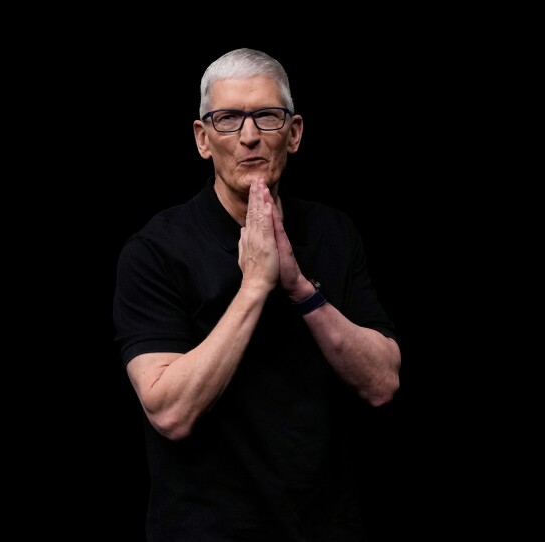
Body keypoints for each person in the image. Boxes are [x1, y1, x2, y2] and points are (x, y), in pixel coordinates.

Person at [113, 47, 401, 541]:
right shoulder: (156, 250)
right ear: (203, 139)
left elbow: (383, 383)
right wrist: (256, 286)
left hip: (325, 527)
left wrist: (298, 288)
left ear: (294, 133)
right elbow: (169, 411)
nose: (249, 136)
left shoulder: (334, 233)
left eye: (266, 116)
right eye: (228, 119)